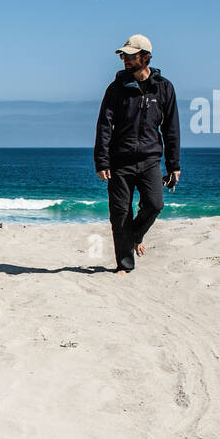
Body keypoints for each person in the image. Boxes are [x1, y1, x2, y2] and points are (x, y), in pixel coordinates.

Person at [93, 34, 181, 273]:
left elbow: (171, 127)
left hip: (150, 160)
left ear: (146, 57)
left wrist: (174, 165)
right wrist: (102, 161)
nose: (126, 60)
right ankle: (124, 265)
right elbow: (104, 125)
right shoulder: (116, 89)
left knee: (155, 204)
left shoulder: (163, 88)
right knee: (120, 213)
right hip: (119, 161)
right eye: (124, 56)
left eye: (131, 56)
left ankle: (135, 235)